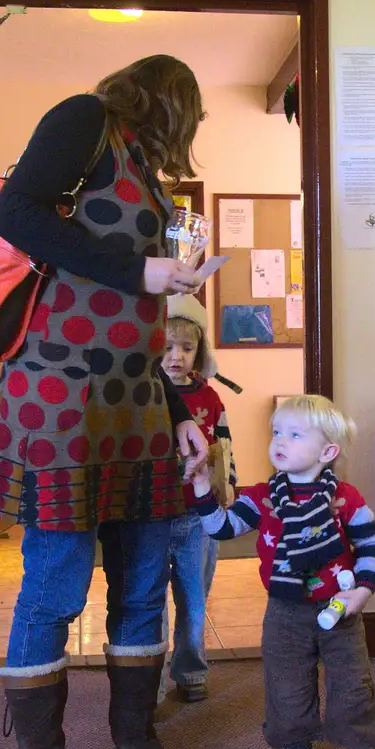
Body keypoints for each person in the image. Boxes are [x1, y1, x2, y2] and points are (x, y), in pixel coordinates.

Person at [0, 55, 210, 749]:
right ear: (174, 103)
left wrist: (177, 408)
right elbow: (16, 218)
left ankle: (136, 743)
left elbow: (133, 320)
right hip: (60, 398)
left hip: (133, 399)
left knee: (142, 581)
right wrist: (146, 268)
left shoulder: (138, 160)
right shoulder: (85, 121)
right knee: (57, 586)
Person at [190, 395, 375, 749]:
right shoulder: (263, 496)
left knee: (353, 680)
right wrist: (203, 490)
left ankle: (362, 742)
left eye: (295, 435)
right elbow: (222, 529)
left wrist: (363, 591)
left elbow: (369, 546)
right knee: (287, 681)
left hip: (339, 608)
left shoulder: (345, 499)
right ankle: (296, 744)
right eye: (277, 432)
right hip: (284, 610)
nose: (280, 442)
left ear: (327, 451)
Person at [159, 294, 234, 703]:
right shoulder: (143, 394)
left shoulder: (209, 398)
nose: (176, 357)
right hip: (151, 515)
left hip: (196, 514)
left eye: (186, 348)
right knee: (150, 599)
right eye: (168, 347)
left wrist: (229, 489)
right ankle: (147, 679)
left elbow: (225, 446)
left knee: (193, 595)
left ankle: (190, 670)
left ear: (199, 351)